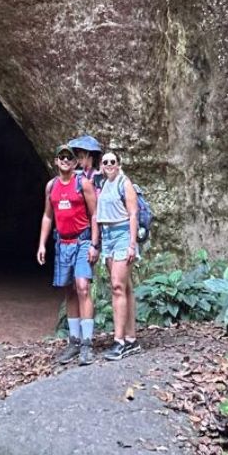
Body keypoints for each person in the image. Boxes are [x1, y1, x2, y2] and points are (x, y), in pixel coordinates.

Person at [37, 144, 100, 365]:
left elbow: (95, 215)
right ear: (56, 161)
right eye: (61, 157)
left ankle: (87, 344)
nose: (65, 160)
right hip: (62, 243)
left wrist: (94, 244)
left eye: (69, 158)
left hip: (82, 241)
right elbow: (47, 216)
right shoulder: (51, 186)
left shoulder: (82, 184)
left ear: (75, 163)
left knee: (82, 287)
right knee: (70, 291)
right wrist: (42, 245)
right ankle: (74, 342)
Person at [95, 150, 140, 360]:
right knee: (125, 287)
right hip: (108, 237)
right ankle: (131, 339)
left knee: (117, 287)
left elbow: (133, 214)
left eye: (113, 161)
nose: (109, 164)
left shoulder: (124, 182)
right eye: (106, 162)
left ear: (119, 164)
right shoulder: (103, 184)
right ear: (101, 165)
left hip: (122, 236)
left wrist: (132, 245)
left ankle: (119, 340)